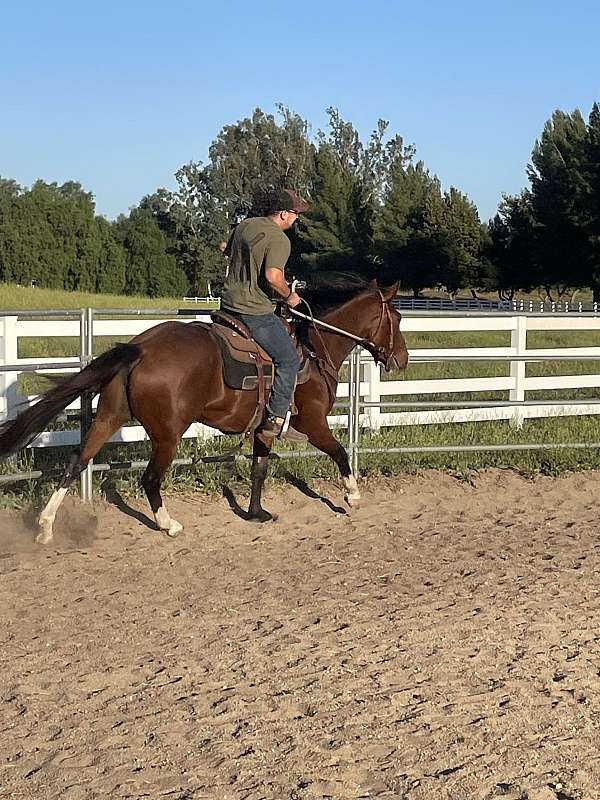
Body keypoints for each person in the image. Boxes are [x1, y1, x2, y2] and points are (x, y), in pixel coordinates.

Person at [220, 188, 310, 441]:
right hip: (254, 312)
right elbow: (273, 277)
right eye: (295, 213)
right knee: (289, 360)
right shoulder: (280, 240)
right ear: (283, 213)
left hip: (227, 307)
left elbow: (224, 247)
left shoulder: (245, 225)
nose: (296, 218)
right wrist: (289, 295)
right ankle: (277, 418)